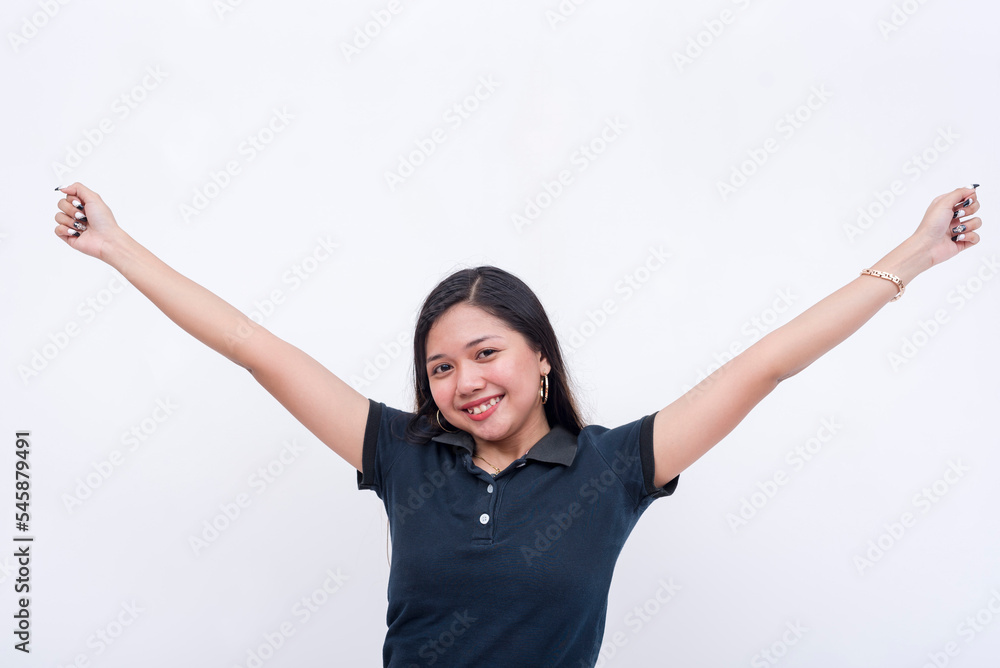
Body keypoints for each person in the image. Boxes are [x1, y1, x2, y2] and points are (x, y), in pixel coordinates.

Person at [52, 182, 982, 667]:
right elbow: (253, 345)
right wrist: (116, 247)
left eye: (486, 353)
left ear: (541, 357)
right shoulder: (401, 456)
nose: (464, 381)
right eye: (441, 367)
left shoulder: (618, 468)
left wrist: (915, 254)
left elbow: (766, 364)